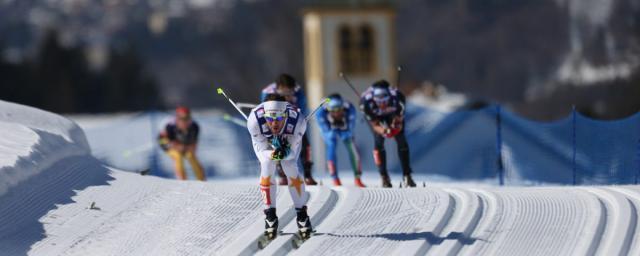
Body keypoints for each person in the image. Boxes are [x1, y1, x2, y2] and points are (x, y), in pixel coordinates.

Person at [248, 94, 313, 240]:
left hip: (288, 141)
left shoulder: (298, 121)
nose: (274, 123)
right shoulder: (254, 121)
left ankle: (302, 216)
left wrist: (285, 151)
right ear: (264, 116)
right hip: (266, 145)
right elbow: (264, 153)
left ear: (286, 114)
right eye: (270, 119)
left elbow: (290, 155)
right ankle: (270, 216)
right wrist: (274, 154)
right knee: (267, 165)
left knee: (289, 165)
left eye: (278, 118)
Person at [260, 73, 317, 186]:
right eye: (283, 93)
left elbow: (302, 110)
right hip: (276, 122)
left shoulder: (298, 92)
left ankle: (308, 174)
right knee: (277, 144)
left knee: (304, 144)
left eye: (289, 93)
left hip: (292, 119)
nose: (286, 97)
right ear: (277, 89)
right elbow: (264, 110)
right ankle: (281, 174)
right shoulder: (267, 92)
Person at [360, 80, 416, 188]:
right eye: (379, 103)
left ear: (389, 97)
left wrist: (394, 128)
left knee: (401, 139)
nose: (382, 105)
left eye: (384, 102)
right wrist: (384, 131)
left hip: (393, 115)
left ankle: (407, 175)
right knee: (378, 141)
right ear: (374, 99)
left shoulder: (398, 99)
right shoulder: (366, 103)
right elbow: (375, 126)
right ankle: (384, 176)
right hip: (376, 118)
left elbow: (399, 124)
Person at [316, 93, 366, 187]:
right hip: (330, 130)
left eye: (339, 110)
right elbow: (325, 131)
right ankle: (335, 179)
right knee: (331, 144)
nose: (336, 113)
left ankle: (357, 178)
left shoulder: (350, 108)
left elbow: (350, 129)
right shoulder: (321, 112)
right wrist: (331, 133)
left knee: (352, 146)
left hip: (345, 129)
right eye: (333, 110)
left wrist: (346, 133)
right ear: (328, 109)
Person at [158, 106, 206, 181]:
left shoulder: (194, 127)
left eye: (187, 118)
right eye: (182, 119)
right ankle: (182, 180)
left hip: (184, 146)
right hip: (169, 145)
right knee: (178, 156)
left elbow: (194, 145)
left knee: (191, 156)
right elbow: (163, 142)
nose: (185, 121)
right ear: (177, 119)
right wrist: (175, 146)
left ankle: (202, 180)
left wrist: (187, 147)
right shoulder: (169, 126)